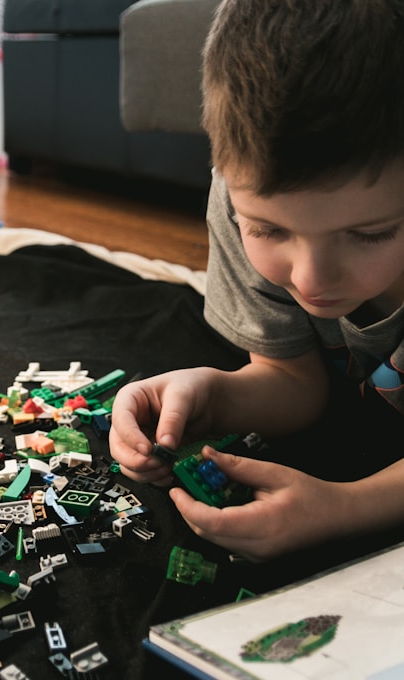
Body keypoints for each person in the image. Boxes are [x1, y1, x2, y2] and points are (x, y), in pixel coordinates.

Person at [109, 0, 404, 563]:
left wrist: (346, 507)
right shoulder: (239, 193)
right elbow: (294, 380)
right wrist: (212, 397)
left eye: (369, 235)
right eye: (269, 229)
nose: (311, 280)